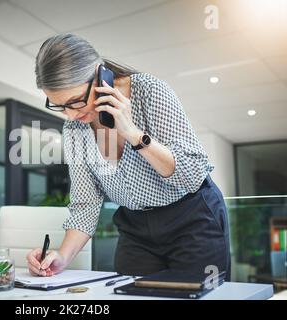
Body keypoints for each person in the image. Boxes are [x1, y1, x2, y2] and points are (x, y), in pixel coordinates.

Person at [26, 33, 231, 280]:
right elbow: (86, 203)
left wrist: (133, 133)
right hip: (135, 228)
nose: (70, 115)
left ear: (100, 75)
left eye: (76, 101)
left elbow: (192, 175)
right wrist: (61, 257)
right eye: (59, 105)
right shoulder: (75, 128)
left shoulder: (148, 90)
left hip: (192, 218)